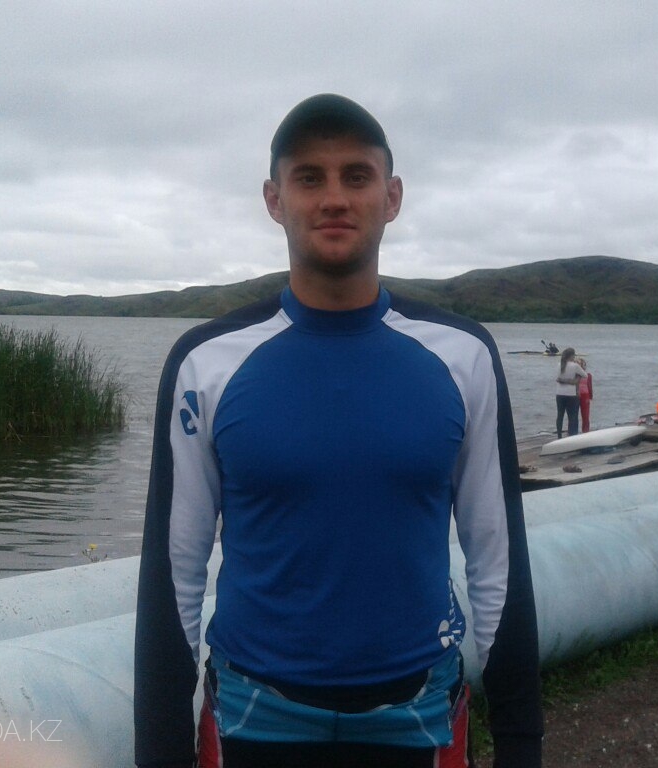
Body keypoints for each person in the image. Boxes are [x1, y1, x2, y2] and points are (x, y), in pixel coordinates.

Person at [134, 94, 543, 768]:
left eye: (357, 176)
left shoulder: (464, 356)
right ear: (274, 199)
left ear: (392, 196)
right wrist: (160, 751)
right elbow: (174, 573)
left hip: (417, 715)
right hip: (254, 716)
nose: (334, 198)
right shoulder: (204, 363)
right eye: (309, 177)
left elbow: (496, 559)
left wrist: (522, 743)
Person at [555, 347, 587, 438]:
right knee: (572, 416)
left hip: (559, 394)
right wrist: (575, 378)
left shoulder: (559, 364)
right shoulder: (575, 366)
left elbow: (558, 378)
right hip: (571, 394)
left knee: (560, 415)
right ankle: (572, 435)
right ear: (571, 356)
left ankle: (559, 435)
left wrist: (564, 380)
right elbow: (585, 375)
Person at [576, 357, 593, 432]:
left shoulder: (588, 375)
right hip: (575, 395)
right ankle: (573, 431)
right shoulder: (574, 375)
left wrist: (590, 396)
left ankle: (586, 430)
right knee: (574, 415)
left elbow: (590, 386)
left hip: (585, 395)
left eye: (580, 364)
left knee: (585, 415)